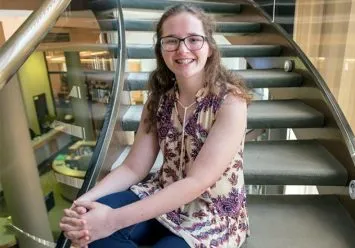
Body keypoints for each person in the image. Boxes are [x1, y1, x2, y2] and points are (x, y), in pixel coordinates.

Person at [59, 4, 251, 248]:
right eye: (171, 41)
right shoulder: (159, 100)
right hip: (159, 194)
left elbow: (196, 182)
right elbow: (132, 168)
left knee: (102, 231)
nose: (182, 49)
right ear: (161, 50)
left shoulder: (230, 102)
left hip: (210, 213)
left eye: (193, 39)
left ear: (210, 47)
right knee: (88, 228)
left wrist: (112, 220)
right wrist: (83, 202)